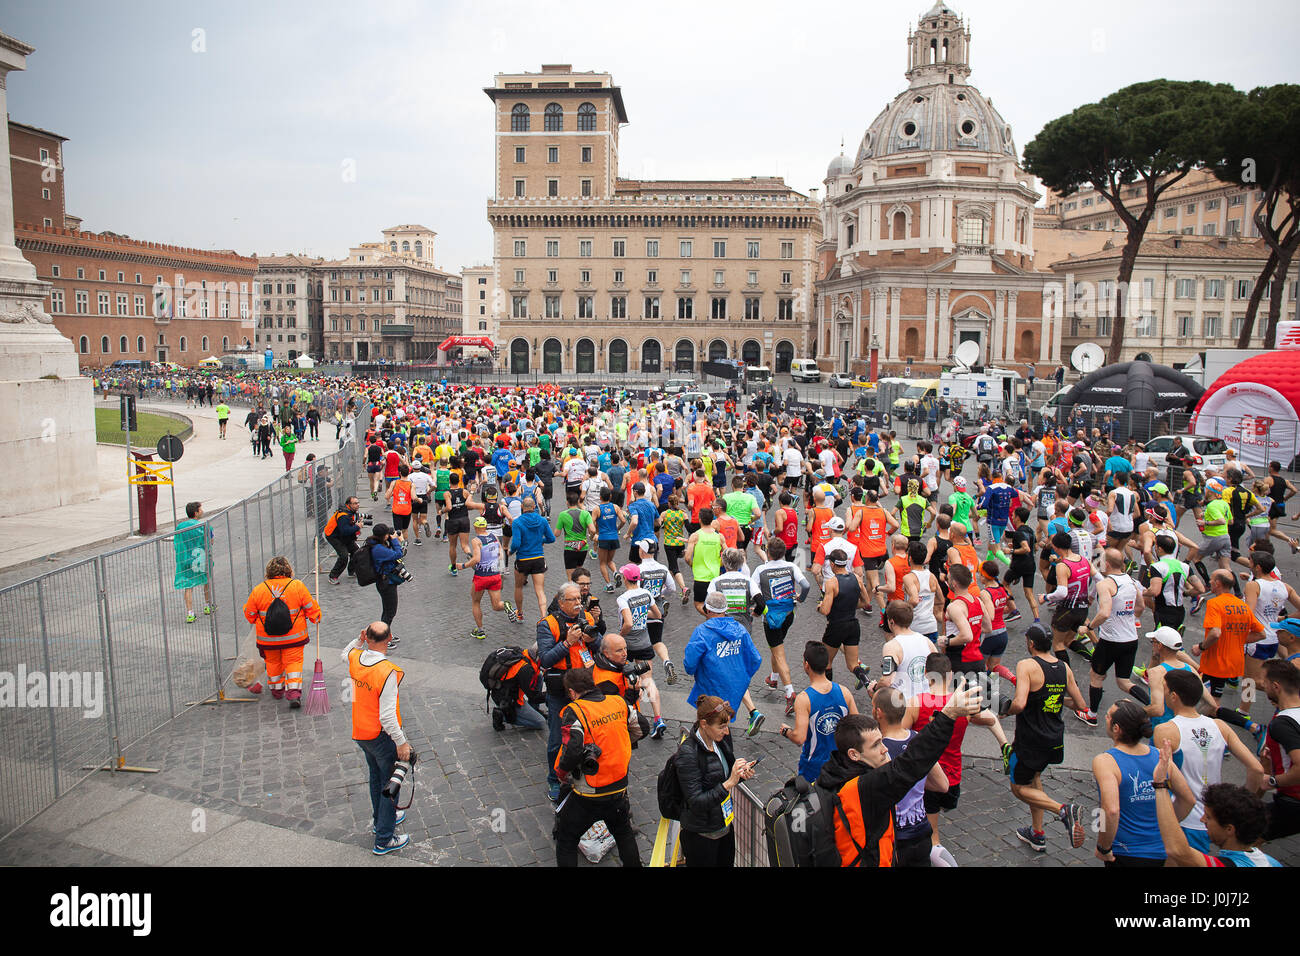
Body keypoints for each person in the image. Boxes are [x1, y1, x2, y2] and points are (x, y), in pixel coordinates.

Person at [814, 685, 983, 867]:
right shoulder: (865, 787)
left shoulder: (834, 773)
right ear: (854, 754)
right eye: (876, 745)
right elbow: (911, 763)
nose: (884, 748)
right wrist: (948, 714)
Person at [1151, 668, 1266, 853]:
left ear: (1174, 696)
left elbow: (1163, 775)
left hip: (1182, 816)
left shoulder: (1165, 730)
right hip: (1212, 817)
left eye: (1165, 689)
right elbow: (1257, 770)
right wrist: (1240, 803)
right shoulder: (1219, 726)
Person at [1005, 624, 1090, 852]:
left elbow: (1020, 703)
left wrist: (1006, 708)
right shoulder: (1063, 667)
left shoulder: (1027, 665)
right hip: (1054, 736)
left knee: (1019, 788)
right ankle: (1037, 832)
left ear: (1031, 643)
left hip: (1030, 738)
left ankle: (1063, 810)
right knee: (1035, 778)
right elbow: (1081, 705)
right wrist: (1050, 697)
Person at [553, 668, 645, 867]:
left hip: (588, 793)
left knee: (566, 839)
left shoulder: (575, 710)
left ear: (571, 692)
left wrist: (561, 774)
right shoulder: (618, 702)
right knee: (624, 834)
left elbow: (573, 750)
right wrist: (621, 743)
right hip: (619, 787)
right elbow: (642, 728)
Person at [1091, 699, 1193, 867]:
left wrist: (1103, 847)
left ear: (1117, 729)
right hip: (1161, 850)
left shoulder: (1106, 761)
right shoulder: (1159, 756)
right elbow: (1189, 800)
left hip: (1125, 852)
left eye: (1108, 716)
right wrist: (1164, 827)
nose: (1105, 717)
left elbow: (1110, 810)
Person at [1150, 740, 1282, 867]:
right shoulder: (1271, 861)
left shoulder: (1231, 864)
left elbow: (1178, 851)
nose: (1202, 820)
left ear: (1229, 829)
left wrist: (1161, 785)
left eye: (1208, 817)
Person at [344, 621, 411, 855]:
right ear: (389, 638)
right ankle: (384, 838)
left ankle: (379, 820)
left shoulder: (356, 659)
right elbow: (387, 716)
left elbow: (346, 652)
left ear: (368, 637)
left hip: (361, 732)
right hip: (381, 736)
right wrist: (401, 742)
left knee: (376, 778)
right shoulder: (387, 671)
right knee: (390, 786)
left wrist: (358, 640)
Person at [673, 695, 759, 867]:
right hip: (702, 836)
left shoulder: (720, 740)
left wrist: (739, 775)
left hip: (724, 827)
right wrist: (729, 783)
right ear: (704, 724)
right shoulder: (688, 754)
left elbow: (722, 777)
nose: (727, 731)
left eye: (727, 725)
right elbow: (696, 801)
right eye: (722, 727)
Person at [537, 582, 601, 801]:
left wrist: (594, 640)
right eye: (572, 600)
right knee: (557, 738)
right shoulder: (548, 624)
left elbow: (600, 647)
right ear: (561, 602)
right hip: (560, 690)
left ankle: (584, 770)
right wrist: (567, 643)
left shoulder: (587, 618)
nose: (578, 604)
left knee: (590, 733)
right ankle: (554, 779)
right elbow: (545, 659)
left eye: (579, 599)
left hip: (587, 687)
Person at [874, 686, 951, 867]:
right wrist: (915, 781)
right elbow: (942, 785)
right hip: (922, 831)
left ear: (878, 713)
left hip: (896, 837)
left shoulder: (879, 750)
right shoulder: (918, 740)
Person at [1195, 569, 1268, 745]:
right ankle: (1244, 710)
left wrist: (1201, 647)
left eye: (1211, 580)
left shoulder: (1250, 586)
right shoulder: (1279, 587)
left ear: (1257, 566)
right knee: (1250, 680)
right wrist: (1238, 639)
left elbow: (1216, 632)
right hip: (1270, 641)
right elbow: (1262, 633)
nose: (1210, 583)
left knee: (1252, 682)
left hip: (1224, 659)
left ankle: (1246, 722)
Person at [242, 556, 321, 708]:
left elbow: (250, 615)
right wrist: (316, 616)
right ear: (288, 570)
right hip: (294, 637)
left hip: (268, 639)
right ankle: (293, 693)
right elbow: (311, 607)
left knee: (272, 663)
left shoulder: (259, 590)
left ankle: (277, 690)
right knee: (294, 663)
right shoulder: (297, 586)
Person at [684, 591, 765, 736]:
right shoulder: (740, 629)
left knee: (707, 727)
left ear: (707, 610)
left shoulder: (702, 632)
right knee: (722, 727)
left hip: (709, 690)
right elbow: (755, 660)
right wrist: (741, 678)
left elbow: (689, 665)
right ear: (725, 610)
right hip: (734, 689)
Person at [780, 641, 858, 783]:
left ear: (807, 665)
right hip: (841, 765)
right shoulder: (844, 692)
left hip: (814, 768)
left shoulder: (804, 699)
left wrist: (786, 731)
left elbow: (799, 738)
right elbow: (858, 728)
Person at [749, 537, 811, 716]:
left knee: (779, 653)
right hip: (788, 614)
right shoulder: (791, 566)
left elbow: (752, 591)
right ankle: (773, 678)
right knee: (777, 647)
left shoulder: (761, 570)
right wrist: (800, 598)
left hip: (771, 618)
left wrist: (754, 610)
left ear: (767, 552)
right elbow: (805, 585)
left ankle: (790, 692)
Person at [1083, 549, 1147, 721]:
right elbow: (1141, 606)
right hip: (1130, 639)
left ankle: (1092, 715)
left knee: (1096, 676)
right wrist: (1129, 618)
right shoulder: (1132, 581)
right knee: (1124, 681)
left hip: (1110, 641)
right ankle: (1151, 704)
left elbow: (1104, 613)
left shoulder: (1105, 584)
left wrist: (1089, 627)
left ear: (1108, 564)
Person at [614, 563, 667, 739]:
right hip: (645, 644)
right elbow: (658, 615)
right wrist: (642, 617)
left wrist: (619, 636)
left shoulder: (623, 598)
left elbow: (628, 623)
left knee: (629, 681)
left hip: (627, 647)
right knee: (648, 680)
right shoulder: (646, 593)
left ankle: (635, 718)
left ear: (624, 578)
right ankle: (658, 718)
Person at [818, 547, 871, 689]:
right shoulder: (857, 579)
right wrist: (850, 606)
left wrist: (820, 606)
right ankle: (867, 682)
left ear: (832, 564)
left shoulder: (831, 583)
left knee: (827, 662)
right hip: (853, 625)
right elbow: (866, 602)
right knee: (853, 664)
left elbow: (825, 610)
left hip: (836, 626)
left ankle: (828, 691)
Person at [457, 515, 516, 640]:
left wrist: (463, 565)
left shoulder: (476, 541)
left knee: (475, 601)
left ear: (475, 527)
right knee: (496, 605)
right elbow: (500, 555)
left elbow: (477, 558)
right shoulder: (494, 536)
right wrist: (501, 571)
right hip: (495, 575)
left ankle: (480, 630)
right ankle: (506, 605)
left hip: (482, 576)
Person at [1260, 658, 1300, 840]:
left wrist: (1273, 781)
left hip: (1293, 802)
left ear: (1276, 686)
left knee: (1243, 835)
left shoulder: (1281, 723)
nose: (1262, 685)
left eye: (1264, 682)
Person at [509, 496, 555, 624]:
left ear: (522, 507)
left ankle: (520, 613)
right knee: (540, 590)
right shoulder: (542, 520)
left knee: (518, 587)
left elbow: (516, 543)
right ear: (534, 507)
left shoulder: (517, 522)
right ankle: (543, 616)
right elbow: (551, 539)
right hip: (538, 558)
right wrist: (540, 540)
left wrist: (511, 551)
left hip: (523, 559)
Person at [173, 501, 213, 623]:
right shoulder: (204, 526)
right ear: (196, 512)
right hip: (201, 558)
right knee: (206, 581)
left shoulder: (180, 527)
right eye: (201, 509)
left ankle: (190, 613)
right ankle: (208, 606)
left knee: (188, 586)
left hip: (186, 559)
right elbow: (210, 541)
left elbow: (177, 542)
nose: (202, 511)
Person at [368, 524, 406, 634]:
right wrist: (395, 540)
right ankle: (382, 636)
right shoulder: (379, 549)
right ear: (384, 536)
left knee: (387, 610)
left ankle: (386, 633)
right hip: (386, 583)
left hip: (384, 581)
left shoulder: (377, 544)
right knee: (390, 612)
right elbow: (398, 554)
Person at [324, 496, 363, 585]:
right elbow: (344, 531)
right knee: (343, 555)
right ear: (349, 504)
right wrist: (357, 527)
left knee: (356, 551)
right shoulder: (343, 516)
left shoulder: (351, 512)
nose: (358, 505)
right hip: (333, 536)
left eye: (358, 502)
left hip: (342, 535)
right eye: (355, 503)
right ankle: (333, 576)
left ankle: (351, 571)